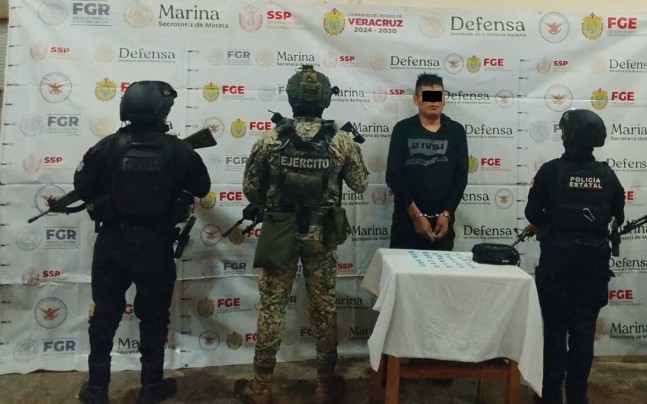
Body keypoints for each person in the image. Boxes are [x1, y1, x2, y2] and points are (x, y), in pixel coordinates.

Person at [235, 65, 369, 404]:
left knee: (272, 307)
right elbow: (360, 183)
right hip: (322, 234)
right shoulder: (340, 140)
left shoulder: (271, 139)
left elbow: (251, 189)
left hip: (279, 231)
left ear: (292, 98)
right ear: (325, 99)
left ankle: (262, 387)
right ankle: (325, 385)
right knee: (323, 308)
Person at [74, 81, 211, 404]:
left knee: (104, 318)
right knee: (154, 319)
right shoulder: (178, 150)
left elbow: (82, 187)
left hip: (112, 244)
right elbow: (202, 187)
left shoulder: (107, 146)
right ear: (161, 112)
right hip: (155, 245)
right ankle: (151, 387)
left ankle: (97, 390)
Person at [524, 109, 625, 404]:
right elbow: (618, 214)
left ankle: (550, 394)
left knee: (554, 330)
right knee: (583, 331)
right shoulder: (607, 175)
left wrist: (552, 224)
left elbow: (532, 212)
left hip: (558, 263)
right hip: (593, 265)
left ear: (567, 136)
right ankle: (578, 394)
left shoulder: (551, 171)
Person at [385, 73, 468, 251]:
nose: (433, 102)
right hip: (406, 224)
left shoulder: (456, 131)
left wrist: (447, 214)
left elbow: (461, 178)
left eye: (438, 96)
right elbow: (393, 176)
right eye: (428, 96)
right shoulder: (402, 129)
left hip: (442, 224)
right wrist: (416, 216)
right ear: (416, 100)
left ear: (444, 100)